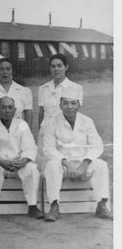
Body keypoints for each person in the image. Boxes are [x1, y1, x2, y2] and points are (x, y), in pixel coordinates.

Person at [42, 88, 112, 221]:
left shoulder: (87, 121)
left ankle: (101, 205)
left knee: (101, 164)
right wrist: (67, 164)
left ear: (79, 104)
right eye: (66, 103)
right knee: (51, 165)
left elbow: (97, 145)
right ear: (60, 105)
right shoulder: (51, 122)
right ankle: (54, 205)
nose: (70, 107)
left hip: (82, 165)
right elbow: (48, 149)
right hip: (62, 164)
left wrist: (84, 164)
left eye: (73, 103)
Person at [0, 97, 44, 221]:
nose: (7, 110)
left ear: (15, 110)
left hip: (18, 161)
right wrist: (0, 162)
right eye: (3, 107)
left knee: (32, 168)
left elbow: (30, 147)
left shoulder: (22, 125)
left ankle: (32, 206)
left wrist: (23, 162)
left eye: (10, 107)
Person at [37, 54, 83, 159]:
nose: (56, 69)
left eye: (59, 65)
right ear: (50, 68)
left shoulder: (76, 88)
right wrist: (40, 132)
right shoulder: (43, 88)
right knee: (46, 165)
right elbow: (41, 112)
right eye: (53, 66)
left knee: (65, 163)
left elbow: (75, 114)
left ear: (66, 67)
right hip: (46, 131)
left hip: (64, 132)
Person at [0, 58, 33, 129]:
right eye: (2, 69)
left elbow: (28, 115)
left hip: (18, 131)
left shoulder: (24, 91)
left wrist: (27, 134)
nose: (5, 72)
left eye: (8, 69)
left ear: (12, 71)